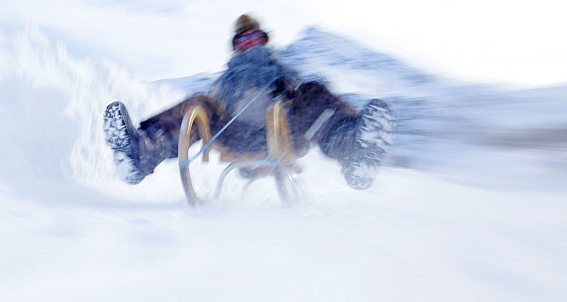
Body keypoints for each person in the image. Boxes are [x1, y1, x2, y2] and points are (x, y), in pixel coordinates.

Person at [103, 14, 396, 190]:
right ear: (236, 47)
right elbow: (210, 108)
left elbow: (302, 100)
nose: (249, 44)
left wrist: (290, 88)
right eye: (243, 41)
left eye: (254, 37)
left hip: (284, 133)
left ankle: (355, 153)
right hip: (236, 134)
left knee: (314, 91)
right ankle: (140, 154)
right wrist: (214, 104)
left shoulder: (283, 70)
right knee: (198, 104)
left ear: (264, 40)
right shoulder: (226, 79)